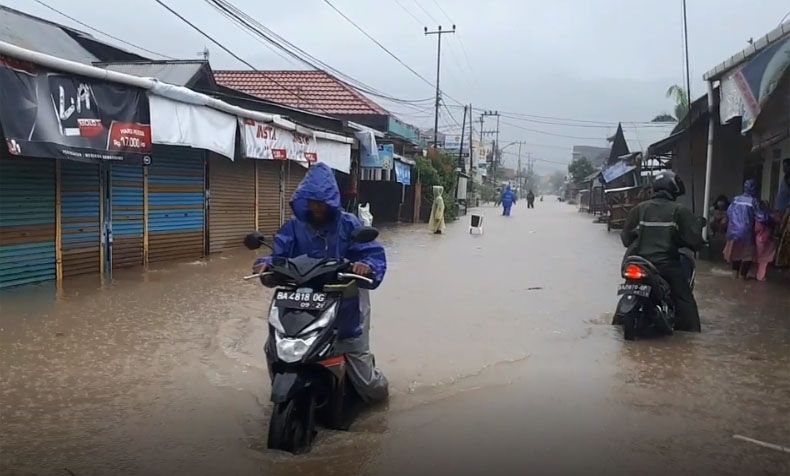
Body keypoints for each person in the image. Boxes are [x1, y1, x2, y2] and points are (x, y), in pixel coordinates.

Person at [252, 163, 389, 403]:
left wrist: (366, 265)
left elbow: (373, 255)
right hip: (300, 302)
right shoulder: (294, 227)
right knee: (272, 349)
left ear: (331, 201)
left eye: (320, 202)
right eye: (311, 202)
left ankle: (379, 390)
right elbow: (278, 255)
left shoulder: (349, 224)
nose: (316, 207)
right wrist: (265, 264)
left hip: (345, 302)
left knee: (366, 380)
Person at [620, 171, 703, 332]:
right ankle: (691, 334)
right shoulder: (679, 210)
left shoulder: (639, 209)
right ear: (674, 189)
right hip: (665, 265)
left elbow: (626, 239)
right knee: (684, 299)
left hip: (634, 263)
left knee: (627, 289)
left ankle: (618, 323)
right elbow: (695, 241)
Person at [724, 179, 763, 278]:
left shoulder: (736, 199)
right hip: (747, 233)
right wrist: (771, 218)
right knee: (748, 255)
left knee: (736, 254)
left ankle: (735, 275)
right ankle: (743, 276)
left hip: (733, 232)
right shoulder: (754, 201)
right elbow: (760, 216)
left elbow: (728, 212)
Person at [749, 201, 776, 281]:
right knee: (764, 260)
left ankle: (756, 274)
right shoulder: (771, 218)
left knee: (757, 257)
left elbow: (756, 229)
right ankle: (761, 276)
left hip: (758, 239)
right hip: (768, 240)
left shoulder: (757, 218)